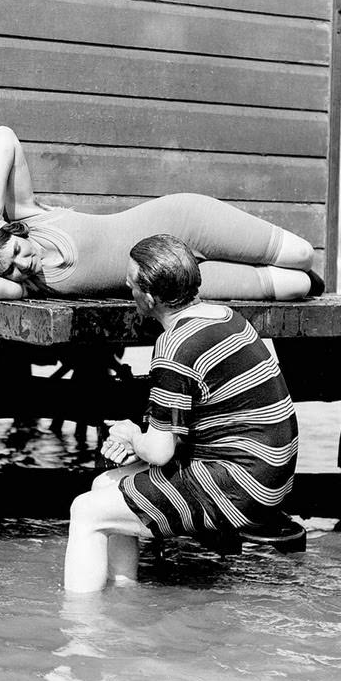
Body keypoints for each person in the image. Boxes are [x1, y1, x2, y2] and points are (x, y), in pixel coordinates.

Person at [62, 234, 299, 592]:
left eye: (132, 280)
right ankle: (124, 593)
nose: (127, 284)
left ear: (151, 297)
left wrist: (131, 435)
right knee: (102, 487)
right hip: (269, 473)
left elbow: (160, 451)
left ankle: (82, 629)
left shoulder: (175, 346)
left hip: (241, 486)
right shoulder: (226, 316)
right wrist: (142, 439)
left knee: (86, 512)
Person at [0, 126, 322, 304]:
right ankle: (306, 279)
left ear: (14, 231)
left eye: (15, 251)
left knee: (302, 254)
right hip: (173, 275)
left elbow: (4, 136)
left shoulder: (31, 216)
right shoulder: (25, 287)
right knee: (297, 288)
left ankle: (300, 266)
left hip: (182, 221)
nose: (21, 265)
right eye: (8, 268)